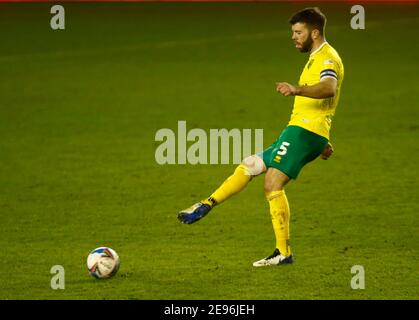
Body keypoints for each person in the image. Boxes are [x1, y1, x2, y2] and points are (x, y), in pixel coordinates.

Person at [178, 7, 344, 267]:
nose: (294, 37)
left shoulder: (327, 58)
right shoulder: (315, 57)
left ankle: (283, 252)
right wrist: (322, 140)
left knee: (272, 184)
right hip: (305, 131)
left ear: (315, 32)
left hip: (303, 131)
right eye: (293, 32)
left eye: (298, 32)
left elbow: (329, 87)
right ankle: (206, 204)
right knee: (250, 164)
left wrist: (296, 89)